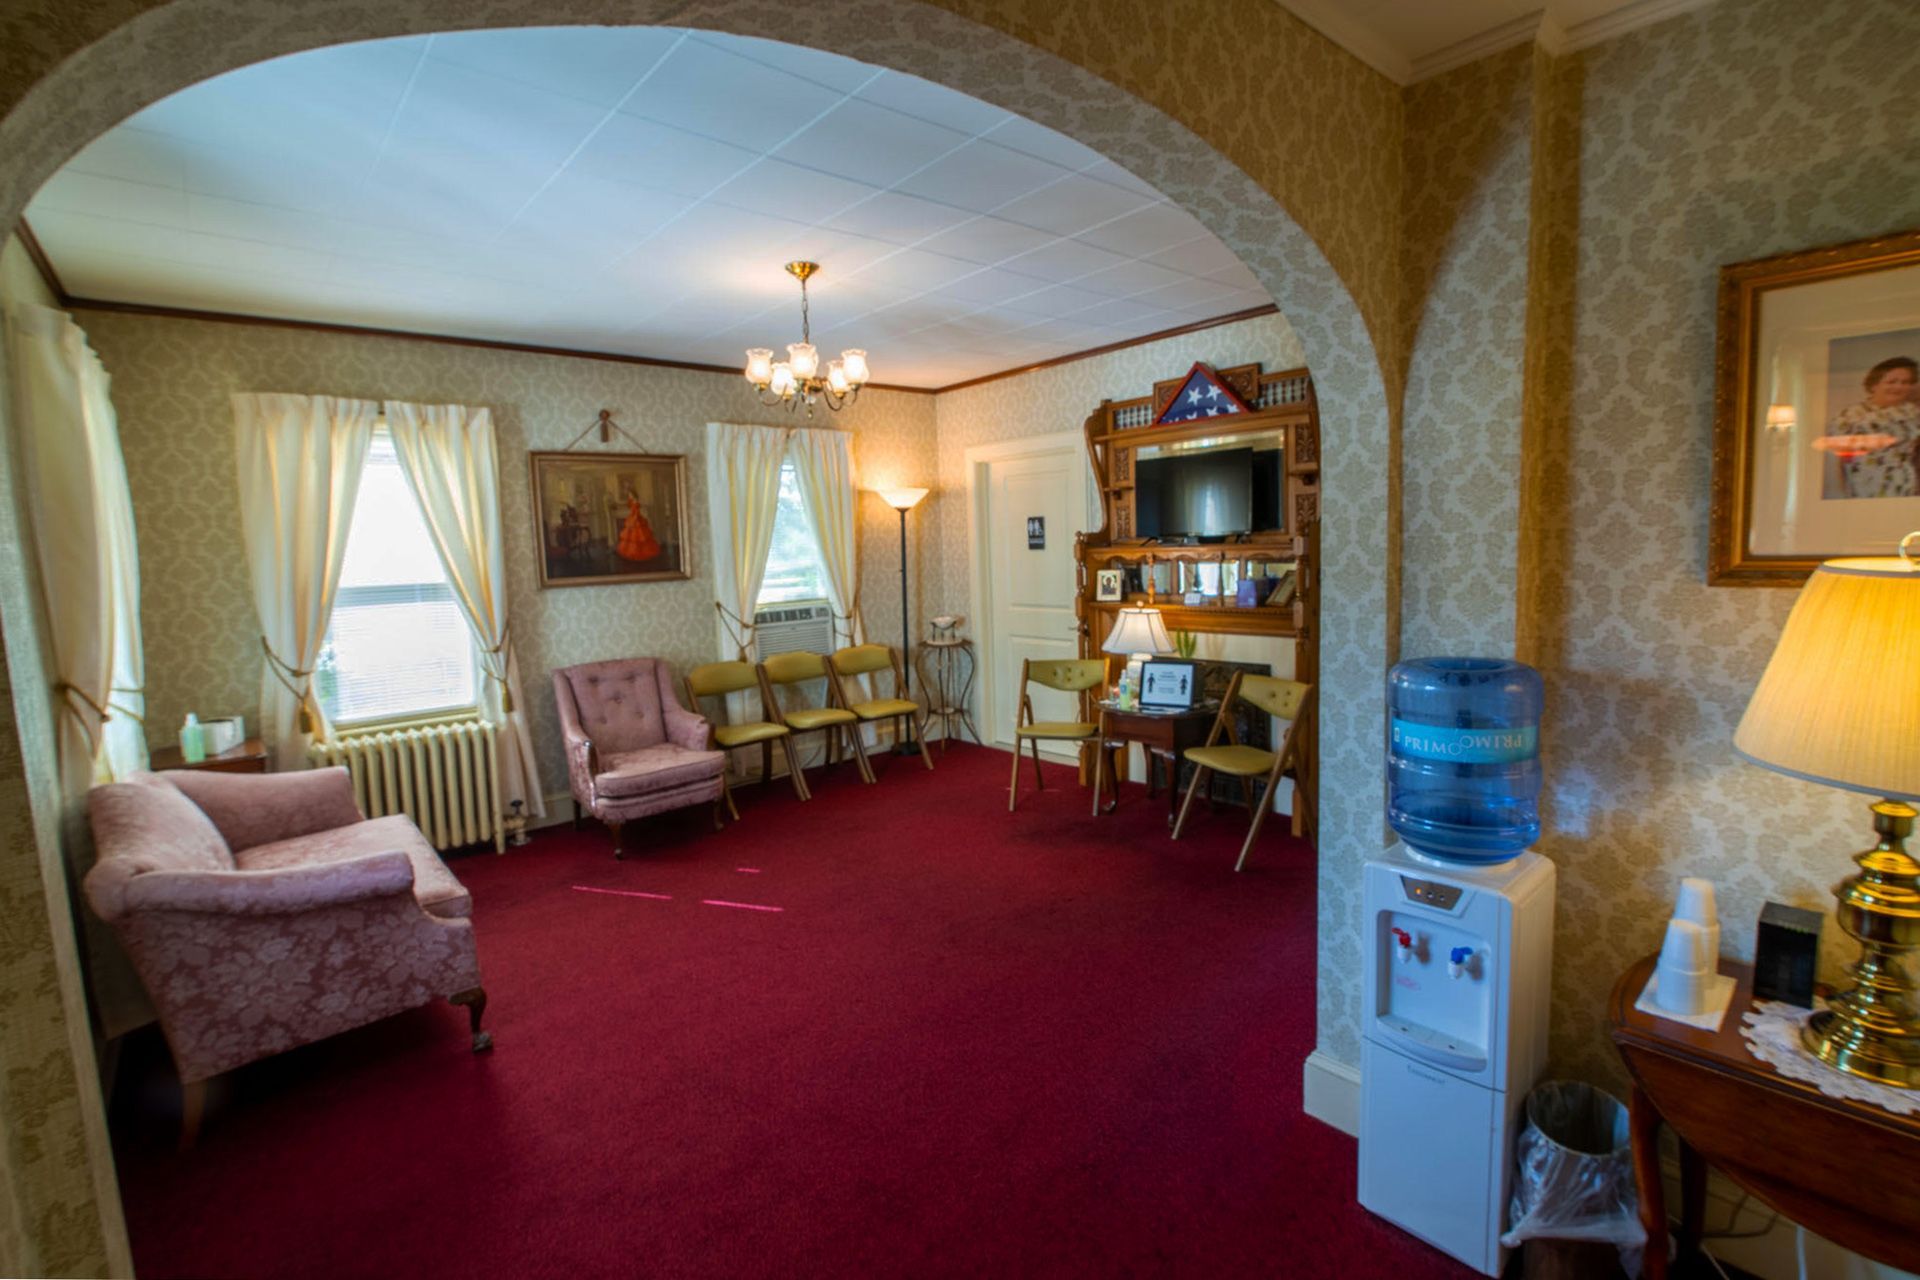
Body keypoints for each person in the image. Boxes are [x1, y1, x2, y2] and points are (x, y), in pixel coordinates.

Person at [1834, 356, 1920, 498]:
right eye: (1891, 382)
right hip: (1866, 486)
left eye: (1905, 382)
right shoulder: (1851, 415)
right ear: (1874, 385)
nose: (1899, 387)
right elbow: (1839, 462)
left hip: (1906, 485)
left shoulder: (1913, 413)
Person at [615, 489, 661, 562]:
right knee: (631, 536)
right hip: (632, 517)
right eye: (629, 495)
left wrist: (633, 521)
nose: (629, 496)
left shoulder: (636, 501)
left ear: (633, 495)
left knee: (638, 536)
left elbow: (636, 513)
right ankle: (632, 552)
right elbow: (629, 506)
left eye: (630, 495)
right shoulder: (632, 501)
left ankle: (639, 552)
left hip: (636, 518)